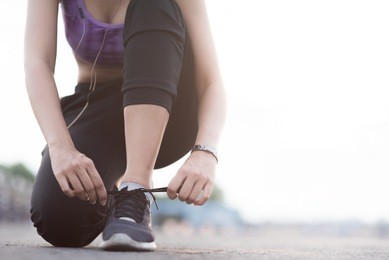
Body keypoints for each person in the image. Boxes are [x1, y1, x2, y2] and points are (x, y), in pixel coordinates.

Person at [25, 0, 226, 251]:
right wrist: (60, 147)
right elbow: (37, 62)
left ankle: (136, 192)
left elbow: (211, 83)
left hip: (170, 110)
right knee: (60, 220)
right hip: (97, 105)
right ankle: (116, 199)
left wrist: (205, 152)